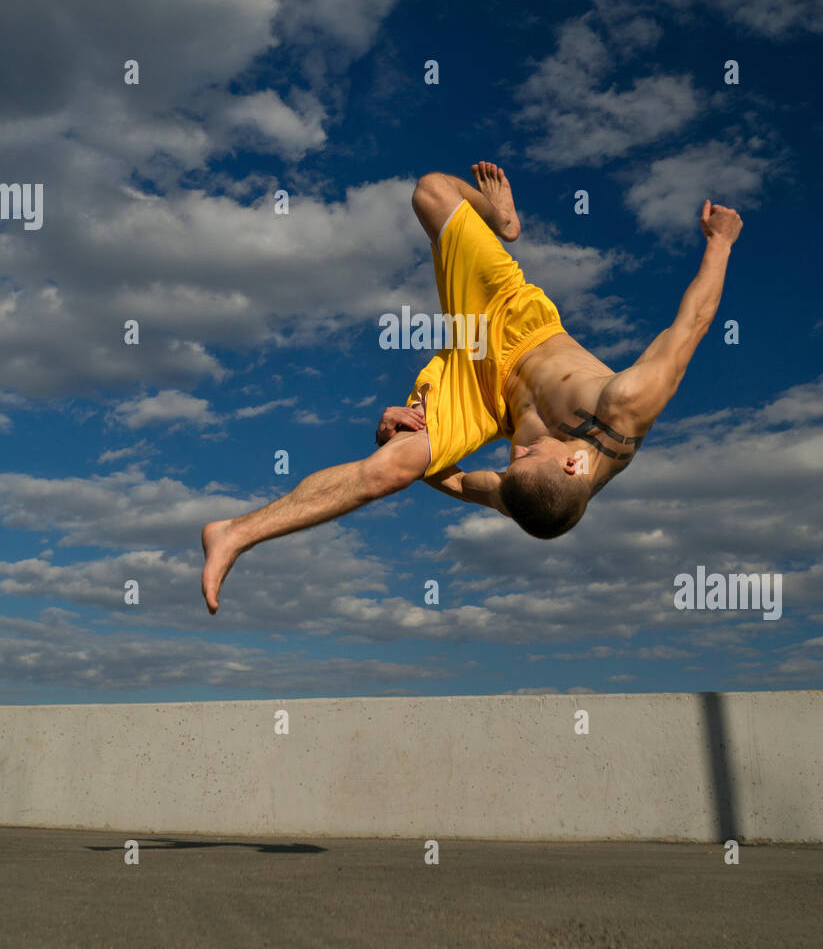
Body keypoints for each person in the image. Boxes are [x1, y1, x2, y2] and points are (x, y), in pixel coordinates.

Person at [201, 162, 742, 612]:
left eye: (512, 462)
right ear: (573, 465)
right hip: (511, 322)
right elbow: (692, 322)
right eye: (527, 455)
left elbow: (459, 484)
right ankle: (500, 218)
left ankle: (235, 532)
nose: (515, 452)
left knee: (396, 469)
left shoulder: (520, 491)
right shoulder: (625, 406)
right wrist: (720, 242)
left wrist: (400, 444)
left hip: (481, 399)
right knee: (431, 192)